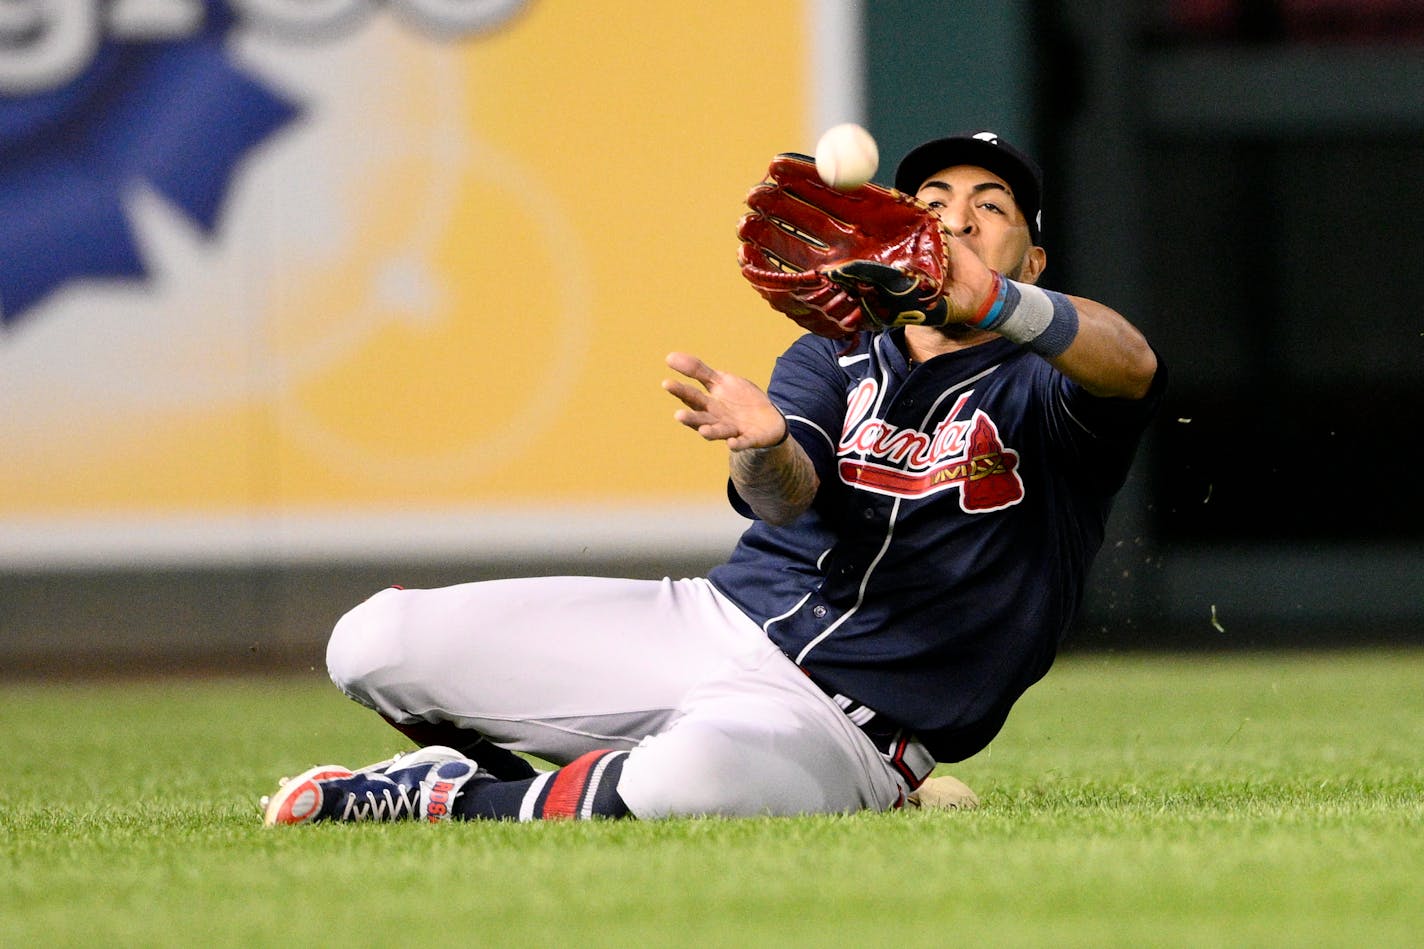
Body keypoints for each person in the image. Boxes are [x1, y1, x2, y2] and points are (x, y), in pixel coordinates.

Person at [261, 130, 1163, 825]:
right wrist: (762, 445)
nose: (958, 218)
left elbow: (1135, 365)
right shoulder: (833, 353)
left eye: (991, 205)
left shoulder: (1051, 382)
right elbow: (786, 495)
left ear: (1034, 262)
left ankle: (446, 800)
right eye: (935, 200)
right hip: (708, 622)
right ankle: (530, 783)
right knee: (372, 641)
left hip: (849, 726)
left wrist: (998, 306)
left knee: (694, 779)